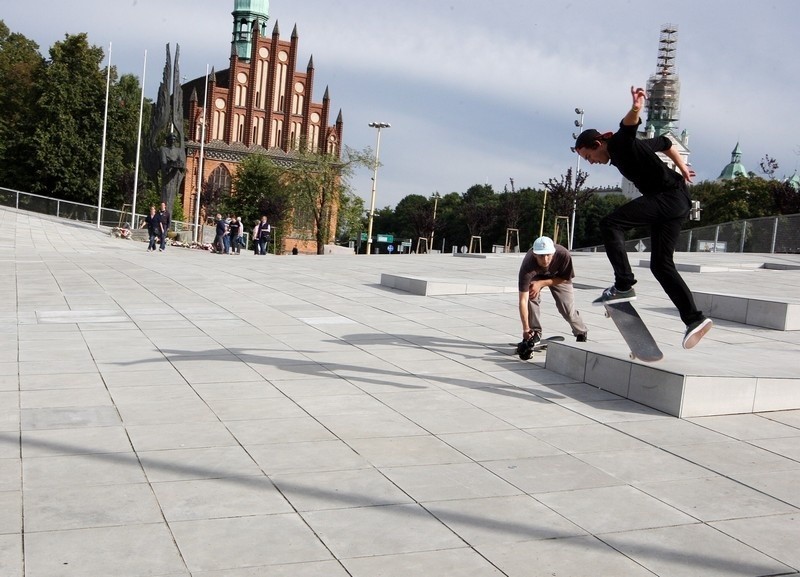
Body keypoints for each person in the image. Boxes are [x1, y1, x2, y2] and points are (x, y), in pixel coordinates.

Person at [574, 85, 712, 349]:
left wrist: (636, 107)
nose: (590, 162)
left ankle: (624, 284)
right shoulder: (637, 147)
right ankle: (694, 319)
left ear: (598, 144)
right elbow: (668, 143)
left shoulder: (621, 144)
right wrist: (683, 167)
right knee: (661, 266)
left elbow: (628, 126)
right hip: (676, 202)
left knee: (610, 223)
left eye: (589, 156)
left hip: (667, 199)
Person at [518, 236, 587, 347]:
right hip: (536, 277)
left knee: (567, 310)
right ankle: (534, 332)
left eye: (548, 255)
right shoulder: (527, 265)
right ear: (535, 254)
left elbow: (565, 278)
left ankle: (581, 331)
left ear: (553, 253)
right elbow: (522, 301)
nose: (545, 260)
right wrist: (525, 328)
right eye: (541, 256)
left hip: (559, 278)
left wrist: (541, 283)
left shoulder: (563, 255)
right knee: (530, 295)